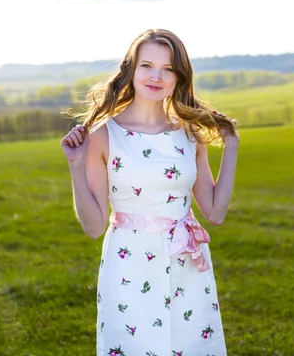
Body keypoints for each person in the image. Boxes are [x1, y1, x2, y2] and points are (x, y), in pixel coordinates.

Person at [60, 28, 239, 356]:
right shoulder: (104, 134)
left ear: (178, 77)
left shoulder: (189, 134)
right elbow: (94, 227)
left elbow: (214, 212)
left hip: (185, 260)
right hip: (129, 266)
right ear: (131, 69)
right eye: (147, 65)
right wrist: (76, 165)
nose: (156, 76)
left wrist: (231, 147)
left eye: (168, 69)